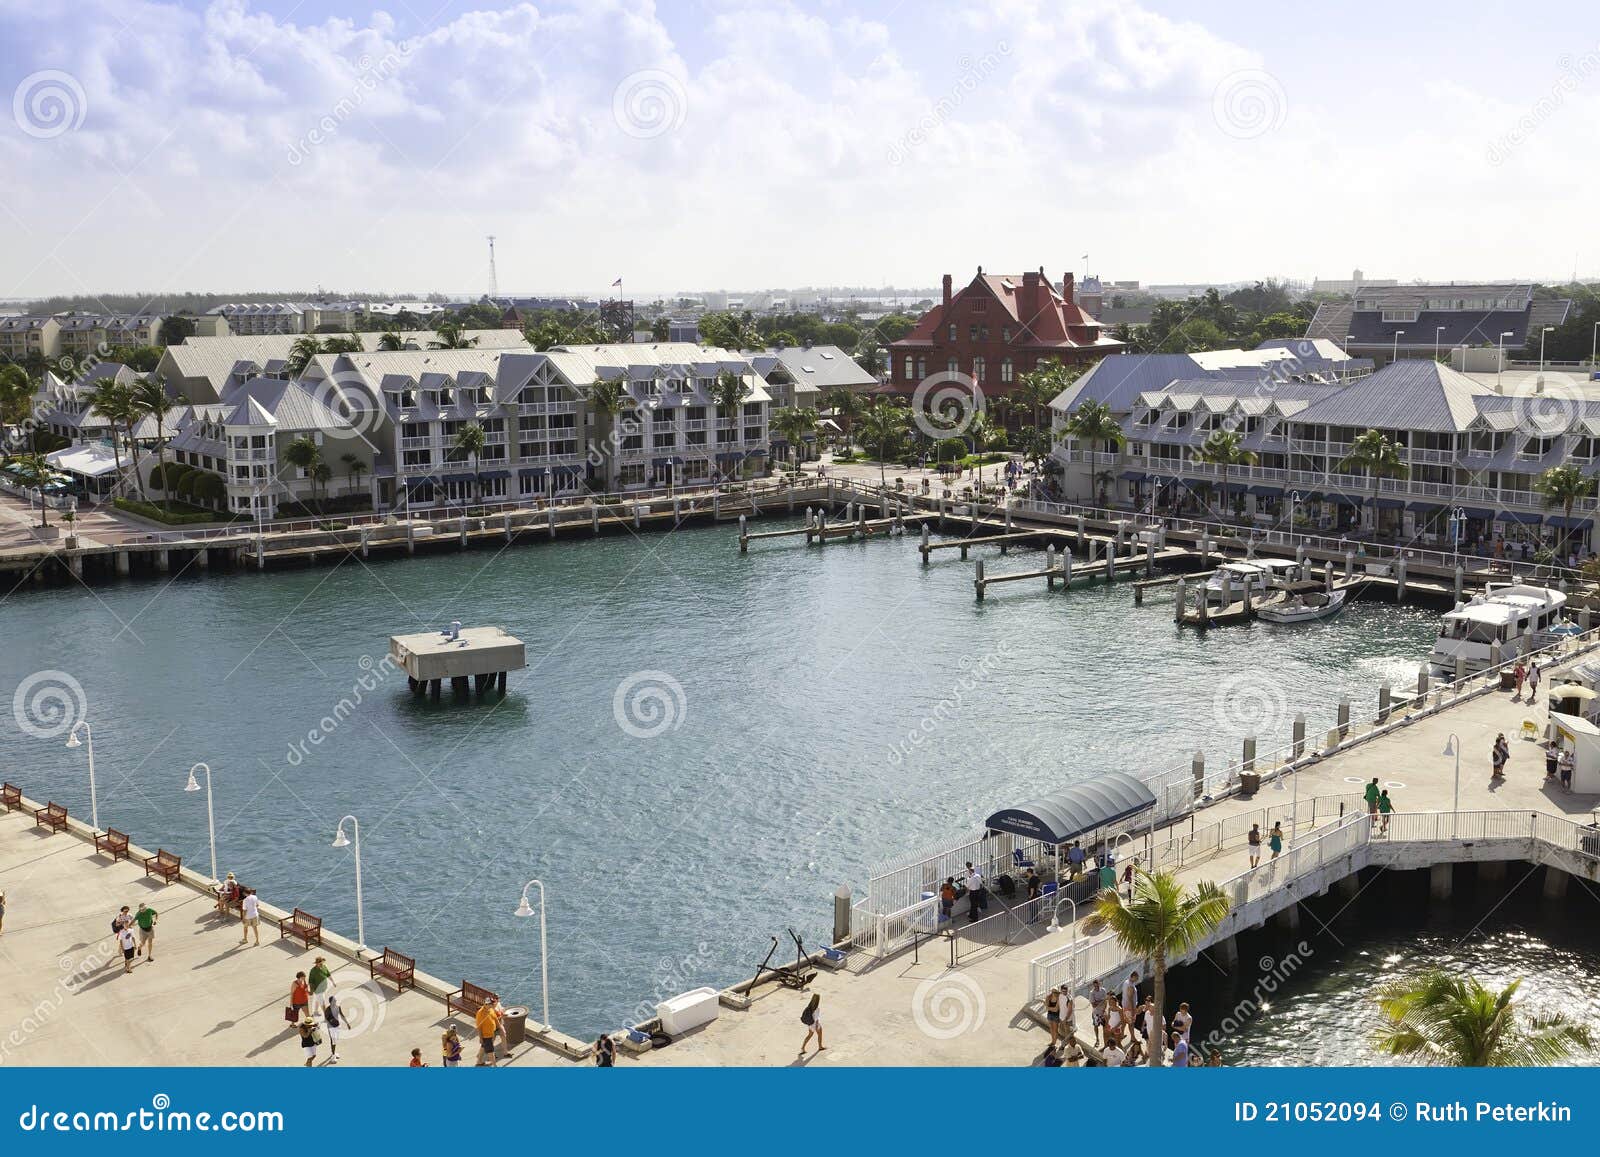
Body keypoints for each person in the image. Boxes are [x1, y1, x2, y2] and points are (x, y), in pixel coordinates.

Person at [475, 999, 502, 1066]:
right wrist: (481, 1038)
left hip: (492, 1033)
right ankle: (495, 1066)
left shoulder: (491, 1009)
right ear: (484, 1004)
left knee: (483, 1047)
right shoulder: (480, 1013)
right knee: (491, 1051)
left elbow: (495, 1019)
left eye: (490, 1004)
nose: (489, 1005)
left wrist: (499, 1027)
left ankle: (479, 1061)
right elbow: (479, 1027)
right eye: (487, 1004)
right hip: (486, 1035)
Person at [322, 994, 344, 1065]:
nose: (336, 1001)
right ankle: (333, 1056)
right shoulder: (328, 1010)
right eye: (334, 1000)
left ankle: (334, 1053)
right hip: (331, 1027)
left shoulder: (337, 1007)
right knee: (333, 1041)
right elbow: (326, 1019)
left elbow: (341, 1015)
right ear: (331, 1002)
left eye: (336, 1000)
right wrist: (332, 1025)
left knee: (335, 1040)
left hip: (336, 1026)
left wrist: (346, 1023)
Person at [1089, 979, 1108, 1044]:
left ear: (1099, 984)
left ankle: (1105, 1040)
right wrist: (1102, 1001)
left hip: (1103, 1012)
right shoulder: (1092, 993)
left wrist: (1104, 1009)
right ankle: (1097, 1039)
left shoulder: (1103, 990)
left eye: (1098, 986)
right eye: (1095, 986)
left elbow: (1106, 1001)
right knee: (1096, 1026)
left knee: (1105, 1027)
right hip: (1096, 1013)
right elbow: (1093, 1005)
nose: (1096, 987)